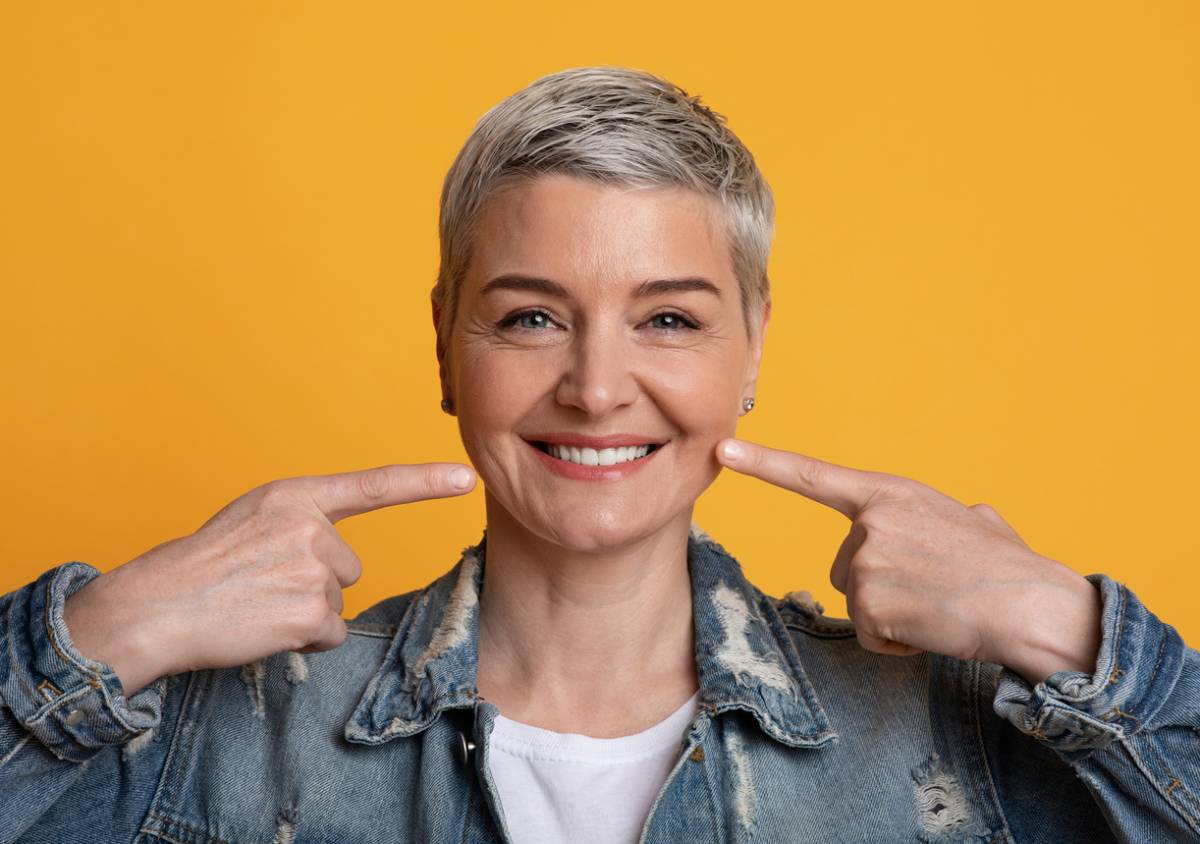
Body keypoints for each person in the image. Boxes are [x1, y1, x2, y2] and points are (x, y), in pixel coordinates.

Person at [1, 65, 1197, 844]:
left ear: (751, 350)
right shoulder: (221, 733)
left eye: (668, 318)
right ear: (443, 344)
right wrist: (112, 630)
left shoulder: (949, 735)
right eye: (530, 315)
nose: (596, 385)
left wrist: (1069, 627)